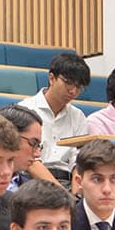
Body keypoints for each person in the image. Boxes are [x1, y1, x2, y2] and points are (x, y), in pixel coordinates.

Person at [17, 52, 91, 180]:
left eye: (79, 87)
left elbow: (78, 162)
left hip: (66, 180)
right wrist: (62, 196)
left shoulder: (78, 116)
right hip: (31, 180)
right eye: (68, 83)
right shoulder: (26, 109)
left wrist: (76, 196)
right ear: (52, 78)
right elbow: (30, 161)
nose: (73, 91)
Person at [0, 104, 50, 189]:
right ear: (9, 137)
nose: (38, 154)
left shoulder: (34, 191)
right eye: (33, 143)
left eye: (38, 146)